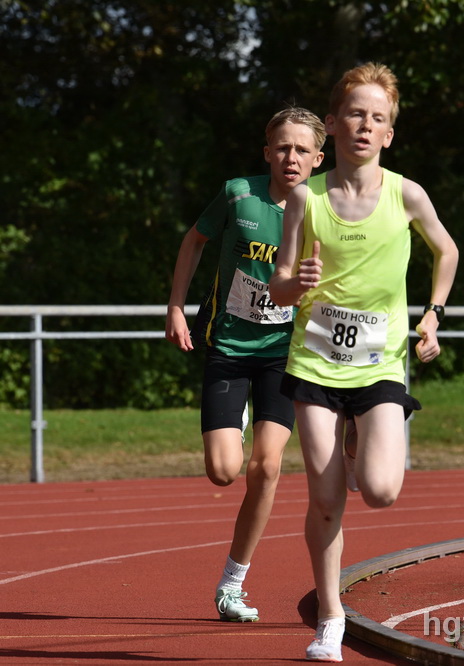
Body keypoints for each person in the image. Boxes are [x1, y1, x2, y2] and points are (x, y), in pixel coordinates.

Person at [270, 61, 458, 662]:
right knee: (325, 499)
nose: (364, 125)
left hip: (380, 364)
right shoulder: (305, 197)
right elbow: (277, 287)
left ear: (389, 134)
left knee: (379, 491)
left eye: (377, 118)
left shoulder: (407, 194)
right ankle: (330, 618)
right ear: (333, 123)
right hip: (316, 365)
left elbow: (447, 249)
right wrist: (295, 283)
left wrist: (433, 315)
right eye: (354, 113)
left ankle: (360, 442)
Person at [165, 107, 326, 622]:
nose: (291, 157)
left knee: (269, 466)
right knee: (223, 471)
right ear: (267, 152)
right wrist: (174, 306)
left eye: (302, 150)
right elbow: (195, 241)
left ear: (319, 159)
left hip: (284, 353)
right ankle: (233, 421)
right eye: (282, 147)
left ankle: (232, 583)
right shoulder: (239, 194)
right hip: (230, 348)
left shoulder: (327, 210)